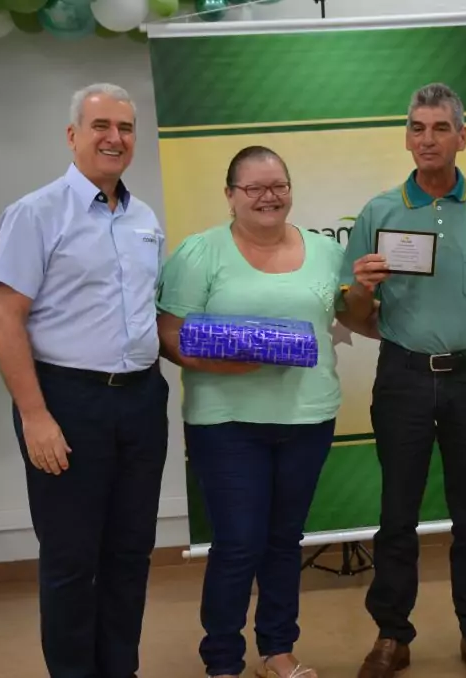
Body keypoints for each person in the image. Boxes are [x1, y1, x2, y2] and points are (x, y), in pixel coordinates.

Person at [156, 145, 374, 678]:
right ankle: (223, 662)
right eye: (253, 188)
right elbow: (168, 334)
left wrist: (369, 291)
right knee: (237, 544)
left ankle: (277, 651)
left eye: (278, 186)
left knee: (283, 541)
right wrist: (228, 361)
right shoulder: (199, 253)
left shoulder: (326, 252)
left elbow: (354, 315)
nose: (268, 197)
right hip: (226, 423)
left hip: (307, 417)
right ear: (230, 195)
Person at [340, 82, 466, 678]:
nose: (428, 139)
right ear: (407, 137)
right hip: (403, 377)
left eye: (440, 128)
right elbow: (353, 313)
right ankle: (391, 635)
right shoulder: (379, 212)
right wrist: (362, 289)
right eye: (418, 128)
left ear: (462, 137)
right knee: (397, 514)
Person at [0, 83, 169, 678]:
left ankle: (120, 669)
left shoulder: (144, 219)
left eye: (126, 127)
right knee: (71, 560)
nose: (115, 138)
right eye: (101, 126)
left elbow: (148, 313)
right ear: (73, 136)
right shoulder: (36, 213)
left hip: (141, 401)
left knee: (130, 553)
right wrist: (35, 415)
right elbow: (5, 319)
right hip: (66, 403)